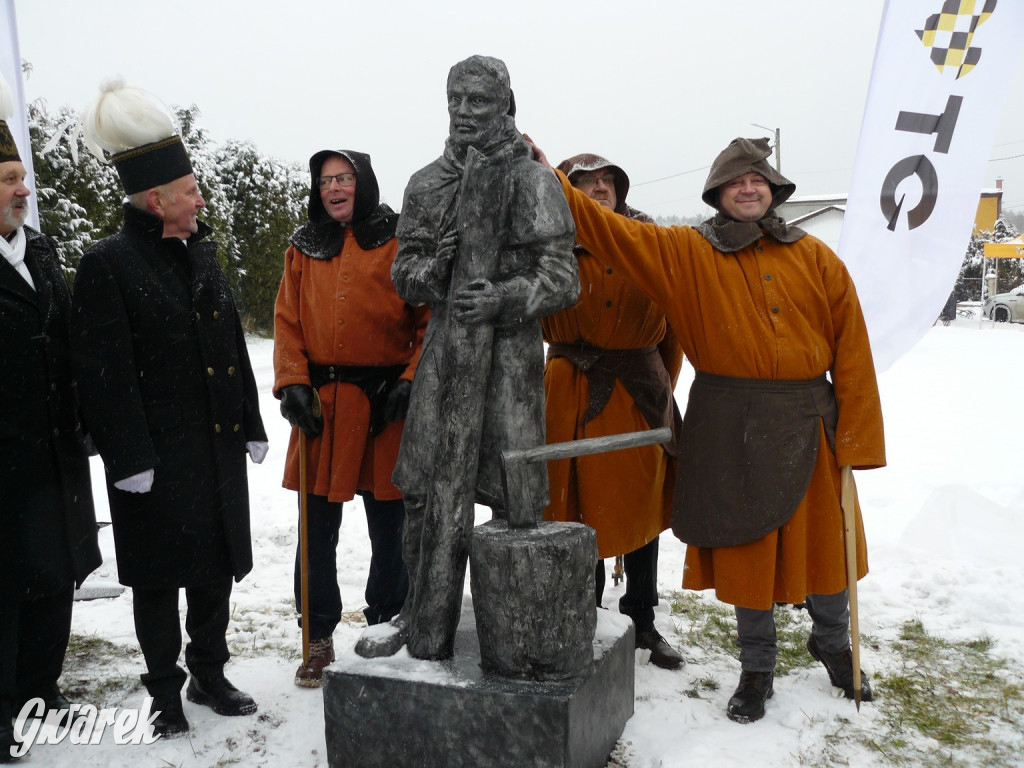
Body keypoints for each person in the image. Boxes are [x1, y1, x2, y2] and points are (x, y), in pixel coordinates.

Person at [530, 135, 885, 723]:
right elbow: (614, 231)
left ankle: (833, 642)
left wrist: (858, 437)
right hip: (731, 421)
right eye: (736, 182)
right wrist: (552, 178)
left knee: (827, 539)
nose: (749, 189)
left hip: (808, 418)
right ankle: (756, 666)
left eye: (758, 180)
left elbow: (852, 348)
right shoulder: (689, 254)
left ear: (772, 190)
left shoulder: (816, 257)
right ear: (718, 194)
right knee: (746, 544)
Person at [72, 80, 268, 738]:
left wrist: (249, 419)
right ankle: (164, 692)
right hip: (152, 459)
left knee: (214, 573)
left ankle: (210, 672)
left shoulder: (199, 250)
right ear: (158, 200)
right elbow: (104, 374)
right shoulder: (109, 263)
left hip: (211, 448)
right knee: (159, 580)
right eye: (190, 192)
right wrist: (127, 457)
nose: (201, 200)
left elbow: (228, 341)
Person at [383, 55, 579, 660]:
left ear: (507, 106)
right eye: (456, 100)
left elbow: (563, 277)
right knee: (424, 497)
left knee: (517, 501)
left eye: (480, 102)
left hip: (510, 361)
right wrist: (432, 272)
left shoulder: (534, 181)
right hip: (446, 358)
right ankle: (422, 615)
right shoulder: (426, 183)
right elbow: (404, 270)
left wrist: (505, 296)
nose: (465, 113)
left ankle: (519, 632)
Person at [273, 148, 428, 686]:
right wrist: (292, 381)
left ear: (363, 182)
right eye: (325, 181)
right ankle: (317, 638)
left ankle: (387, 623)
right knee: (316, 530)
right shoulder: (303, 247)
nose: (334, 189)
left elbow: (428, 320)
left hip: (384, 407)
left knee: (391, 528)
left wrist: (410, 381)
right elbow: (286, 321)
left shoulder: (400, 239)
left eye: (343, 178)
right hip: (322, 409)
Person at [542, 154, 684, 670]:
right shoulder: (547, 245)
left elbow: (673, 332)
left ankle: (641, 619)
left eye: (607, 181)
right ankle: (586, 612)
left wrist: (661, 390)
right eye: (585, 182)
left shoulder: (648, 245)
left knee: (639, 510)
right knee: (575, 510)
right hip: (568, 391)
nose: (599, 189)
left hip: (635, 393)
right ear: (567, 191)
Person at [0, 78, 101, 763]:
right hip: (3, 457)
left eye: (21, 179)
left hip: (53, 452)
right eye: (9, 179)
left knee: (53, 573)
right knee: (5, 586)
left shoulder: (39, 250)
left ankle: (41, 691)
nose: (23, 189)